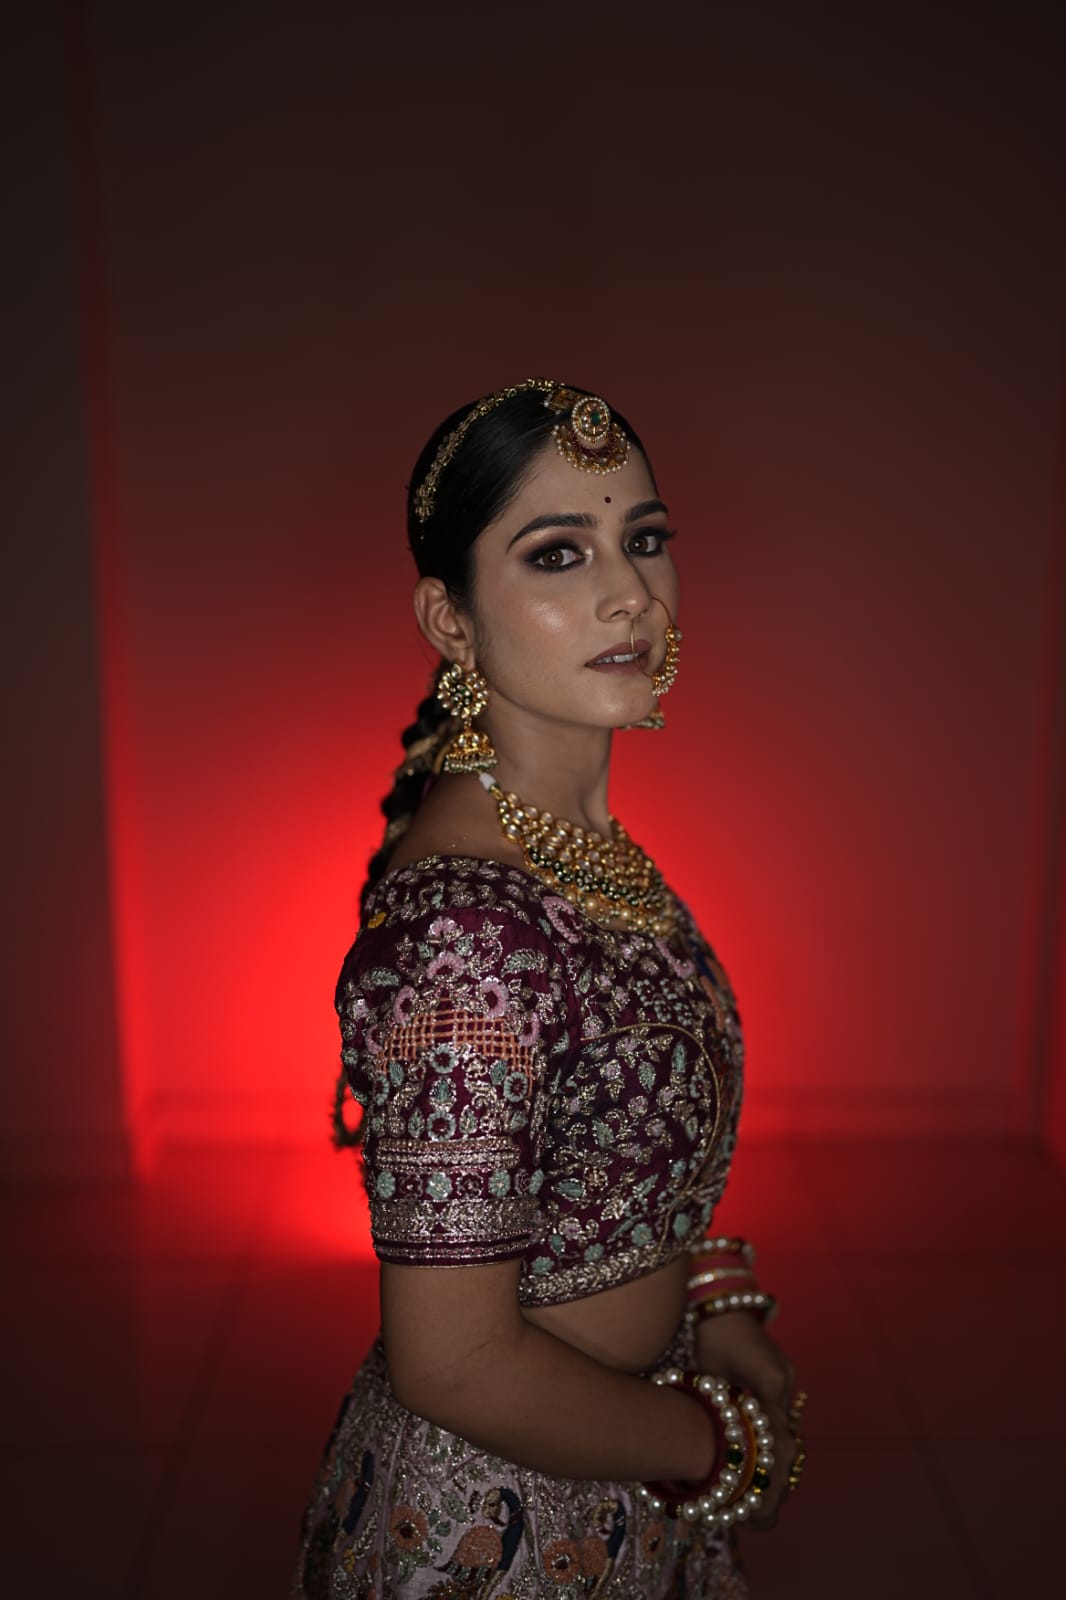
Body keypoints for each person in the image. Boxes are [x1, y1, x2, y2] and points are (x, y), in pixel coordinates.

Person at [291, 379, 804, 1600]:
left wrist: (713, 1289)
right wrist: (715, 1445)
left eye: (644, 539)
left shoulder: (584, 850)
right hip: (500, 1525)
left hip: (621, 1464)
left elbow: (622, 1133)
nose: (630, 594)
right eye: (558, 553)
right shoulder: (467, 928)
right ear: (451, 619)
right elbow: (455, 1363)